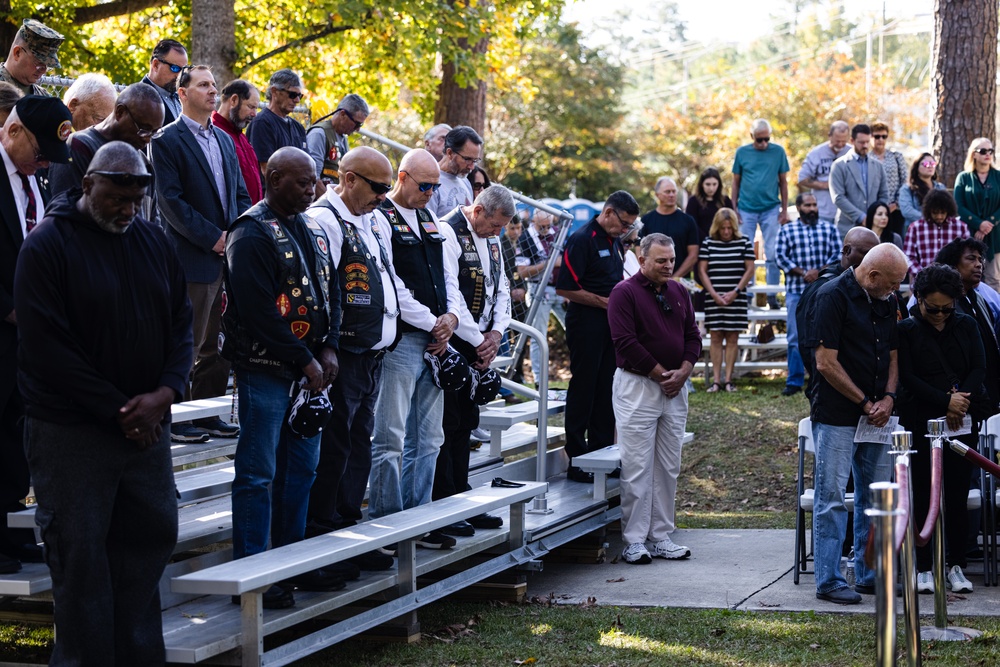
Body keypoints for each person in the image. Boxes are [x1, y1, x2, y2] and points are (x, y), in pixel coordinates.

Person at [15, 141, 191, 664]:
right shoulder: (47, 246)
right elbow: (47, 348)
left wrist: (165, 393)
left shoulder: (153, 242)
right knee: (80, 558)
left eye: (136, 200)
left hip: (147, 429)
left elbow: (183, 325)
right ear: (88, 184)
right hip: (73, 431)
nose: (127, 210)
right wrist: (120, 410)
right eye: (116, 198)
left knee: (148, 541)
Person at [223, 147, 343, 609]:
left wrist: (329, 345)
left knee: (303, 470)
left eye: (313, 181)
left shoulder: (309, 226)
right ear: (273, 178)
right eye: (300, 182)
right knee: (258, 473)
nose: (311, 190)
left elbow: (328, 288)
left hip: (308, 374)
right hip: (266, 372)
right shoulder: (250, 233)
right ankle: (254, 576)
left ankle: (293, 564)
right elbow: (256, 314)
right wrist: (304, 360)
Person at [304, 147, 407, 574]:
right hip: (342, 352)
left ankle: (348, 527)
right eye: (378, 187)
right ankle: (323, 534)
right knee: (335, 445)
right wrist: (327, 345)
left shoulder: (375, 218)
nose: (384, 197)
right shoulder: (324, 218)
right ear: (348, 179)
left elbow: (389, 279)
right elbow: (322, 289)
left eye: (387, 189)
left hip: (373, 350)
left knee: (358, 443)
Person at [367, 148, 464, 550]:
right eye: (424, 186)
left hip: (436, 342)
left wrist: (452, 319)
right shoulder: (381, 217)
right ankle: (387, 526)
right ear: (402, 177)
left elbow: (448, 276)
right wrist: (432, 322)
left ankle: (418, 519)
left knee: (429, 439)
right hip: (404, 341)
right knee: (389, 438)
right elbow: (391, 282)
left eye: (435, 187)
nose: (430, 193)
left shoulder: (430, 218)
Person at [151, 65, 252, 443]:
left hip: (229, 257)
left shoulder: (225, 140)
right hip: (192, 257)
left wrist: (239, 236)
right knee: (187, 343)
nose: (213, 91)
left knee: (219, 344)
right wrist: (214, 238)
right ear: (182, 92)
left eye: (214, 85)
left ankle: (208, 412)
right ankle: (178, 418)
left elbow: (240, 194)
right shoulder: (165, 141)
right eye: (204, 85)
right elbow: (171, 203)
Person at [808, 243, 909, 604]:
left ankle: (870, 574)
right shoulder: (832, 295)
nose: (896, 290)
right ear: (873, 275)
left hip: (878, 414)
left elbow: (894, 355)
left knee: (875, 494)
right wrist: (865, 403)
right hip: (838, 414)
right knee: (832, 496)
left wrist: (889, 399)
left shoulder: (888, 301)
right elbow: (825, 363)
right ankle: (829, 579)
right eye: (893, 283)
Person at [0, 96, 73, 575]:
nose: (45, 162)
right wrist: (11, 309)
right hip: (4, 327)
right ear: (14, 132)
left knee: (15, 437)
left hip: (31, 339)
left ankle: (9, 531)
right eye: (40, 151)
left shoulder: (36, 178)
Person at [608, 233, 701, 564]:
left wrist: (684, 371)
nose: (668, 265)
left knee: (668, 465)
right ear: (642, 259)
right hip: (638, 387)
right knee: (636, 466)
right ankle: (634, 539)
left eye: (672, 259)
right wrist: (662, 374)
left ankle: (661, 535)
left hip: (676, 388)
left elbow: (692, 336)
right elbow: (625, 342)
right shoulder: (624, 293)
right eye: (661, 260)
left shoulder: (678, 291)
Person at [898, 264, 987, 595]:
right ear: (918, 299)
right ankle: (923, 566)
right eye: (931, 308)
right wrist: (943, 401)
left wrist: (960, 400)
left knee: (958, 492)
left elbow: (979, 367)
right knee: (922, 491)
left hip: (961, 420)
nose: (938, 315)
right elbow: (908, 377)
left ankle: (956, 564)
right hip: (922, 419)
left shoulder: (965, 325)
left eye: (945, 309)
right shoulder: (907, 331)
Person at [434, 185, 514, 536]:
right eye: (495, 225)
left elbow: (502, 287)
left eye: (501, 228)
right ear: (478, 210)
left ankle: (462, 494)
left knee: (467, 421)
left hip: (483, 341)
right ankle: (445, 500)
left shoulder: (493, 237)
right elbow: (451, 292)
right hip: (456, 340)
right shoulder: (447, 230)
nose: (497, 234)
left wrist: (496, 334)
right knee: (448, 423)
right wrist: (478, 339)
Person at [555, 191, 639, 482]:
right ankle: (577, 459)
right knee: (584, 387)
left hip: (611, 324)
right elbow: (565, 288)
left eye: (630, 226)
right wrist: (605, 302)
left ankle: (602, 454)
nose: (625, 230)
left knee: (607, 387)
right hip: (586, 321)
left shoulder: (615, 241)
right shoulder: (582, 239)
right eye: (624, 223)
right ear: (609, 212)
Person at [797, 227, 881, 396]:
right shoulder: (824, 289)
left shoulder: (876, 286)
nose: (873, 261)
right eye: (867, 254)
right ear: (847, 251)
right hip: (831, 390)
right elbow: (808, 346)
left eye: (876, 255)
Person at [775, 192, 841, 396]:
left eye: (814, 205)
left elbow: (838, 254)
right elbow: (779, 257)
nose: (812, 208)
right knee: (795, 336)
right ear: (799, 207)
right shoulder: (787, 230)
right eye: (808, 205)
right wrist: (804, 272)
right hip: (796, 290)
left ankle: (820, 377)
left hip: (824, 292)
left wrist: (818, 272)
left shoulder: (829, 229)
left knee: (825, 336)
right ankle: (794, 380)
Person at [48, 83, 165, 196]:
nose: (147, 139)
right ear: (120, 112)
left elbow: (151, 215)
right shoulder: (79, 147)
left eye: (154, 133)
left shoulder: (143, 163)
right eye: (143, 129)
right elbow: (65, 210)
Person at [935, 238, 1000, 406]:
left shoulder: (979, 298)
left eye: (980, 259)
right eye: (971, 258)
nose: (979, 264)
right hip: (956, 397)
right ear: (953, 264)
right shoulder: (941, 303)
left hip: (987, 392)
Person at [697, 208, 754, 393]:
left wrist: (736, 291)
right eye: (723, 228)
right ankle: (716, 380)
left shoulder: (744, 242)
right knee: (715, 337)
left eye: (729, 228)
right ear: (717, 227)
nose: (727, 231)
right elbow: (702, 271)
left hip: (736, 297)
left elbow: (750, 269)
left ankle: (728, 379)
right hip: (714, 297)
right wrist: (713, 293)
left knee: (732, 337)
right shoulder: (708, 243)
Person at [731, 119, 790, 292]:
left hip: (771, 208)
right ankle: (747, 293)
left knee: (772, 251)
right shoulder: (742, 152)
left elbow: (783, 182)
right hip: (746, 208)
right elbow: (736, 182)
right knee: (745, 250)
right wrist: (734, 209)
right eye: (759, 140)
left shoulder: (778, 151)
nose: (764, 143)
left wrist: (784, 210)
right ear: (752, 137)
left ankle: (772, 293)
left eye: (767, 139)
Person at [519, 209, 563, 386]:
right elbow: (522, 272)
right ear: (533, 223)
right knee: (539, 335)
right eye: (542, 227)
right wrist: (548, 263)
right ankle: (540, 379)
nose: (546, 230)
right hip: (538, 287)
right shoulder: (525, 238)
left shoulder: (557, 233)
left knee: (575, 330)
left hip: (560, 288)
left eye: (548, 226)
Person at [954, 137, 1000, 291]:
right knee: (969, 276)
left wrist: (988, 223)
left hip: (995, 234)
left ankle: (994, 313)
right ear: (974, 154)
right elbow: (959, 206)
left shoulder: (998, 176)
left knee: (994, 278)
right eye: (983, 151)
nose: (988, 154)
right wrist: (978, 224)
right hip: (970, 234)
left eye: (990, 151)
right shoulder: (964, 177)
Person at [829, 123, 888, 240]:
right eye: (861, 142)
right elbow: (838, 197)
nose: (865, 145)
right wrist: (861, 217)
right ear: (852, 140)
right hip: (847, 228)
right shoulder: (839, 165)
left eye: (867, 142)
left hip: (874, 229)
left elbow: (884, 195)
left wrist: (875, 217)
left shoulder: (878, 166)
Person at [305, 93, 369, 196]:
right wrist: (332, 203)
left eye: (360, 125)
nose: (358, 129)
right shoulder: (319, 134)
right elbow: (312, 178)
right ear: (343, 114)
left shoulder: (343, 138)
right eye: (357, 123)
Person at [247, 69, 307, 176]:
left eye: (300, 95)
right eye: (292, 94)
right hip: (273, 191)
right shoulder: (263, 123)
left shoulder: (298, 128)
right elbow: (266, 169)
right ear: (274, 91)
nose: (297, 100)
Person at [213, 79, 263, 205]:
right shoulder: (213, 133)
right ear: (234, 100)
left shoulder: (242, 137)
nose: (254, 114)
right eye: (251, 107)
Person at [640, 177, 700, 281]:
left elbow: (693, 255)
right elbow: (639, 251)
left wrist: (674, 278)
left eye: (674, 191)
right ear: (657, 195)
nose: (671, 195)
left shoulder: (688, 220)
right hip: (651, 282)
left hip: (680, 282)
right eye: (667, 192)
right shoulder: (646, 220)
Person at [903, 189, 968, 278]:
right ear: (929, 211)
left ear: (949, 210)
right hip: (923, 283)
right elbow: (908, 257)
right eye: (935, 213)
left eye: (942, 212)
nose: (939, 216)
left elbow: (966, 255)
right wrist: (921, 273)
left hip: (952, 281)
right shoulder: (915, 228)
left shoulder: (961, 228)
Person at [797, 120, 851, 226]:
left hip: (846, 212)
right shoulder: (816, 153)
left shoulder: (851, 152)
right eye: (837, 141)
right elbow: (802, 179)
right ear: (829, 136)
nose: (840, 145)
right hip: (822, 211)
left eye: (843, 141)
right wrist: (828, 185)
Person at [428, 125, 482, 217]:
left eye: (475, 161)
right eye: (467, 159)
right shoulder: (430, 180)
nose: (472, 167)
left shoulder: (465, 182)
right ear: (450, 153)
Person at [0, 19, 63, 97]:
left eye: (47, 65)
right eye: (38, 62)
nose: (43, 71)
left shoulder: (43, 97)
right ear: (17, 53)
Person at [869, 120, 908, 236]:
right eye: (877, 136)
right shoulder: (867, 158)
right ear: (870, 137)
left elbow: (904, 181)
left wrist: (895, 203)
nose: (880, 139)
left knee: (894, 239)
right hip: (873, 209)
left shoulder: (896, 156)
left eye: (884, 136)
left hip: (895, 209)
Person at [139, 39, 188, 125]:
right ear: (156, 65)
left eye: (184, 70)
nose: (179, 76)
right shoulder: (139, 98)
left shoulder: (181, 96)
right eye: (175, 68)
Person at [899, 152, 946, 237]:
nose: (930, 166)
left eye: (932, 163)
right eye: (926, 164)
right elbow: (907, 211)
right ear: (916, 167)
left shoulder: (940, 188)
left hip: (939, 231)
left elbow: (947, 209)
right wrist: (930, 219)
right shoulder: (907, 189)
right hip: (916, 232)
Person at [685, 167, 733, 242]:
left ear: (719, 184)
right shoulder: (693, 201)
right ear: (702, 184)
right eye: (708, 184)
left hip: (723, 241)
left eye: (714, 184)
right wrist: (707, 239)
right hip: (701, 243)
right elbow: (692, 224)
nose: (711, 188)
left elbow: (732, 222)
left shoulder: (726, 200)